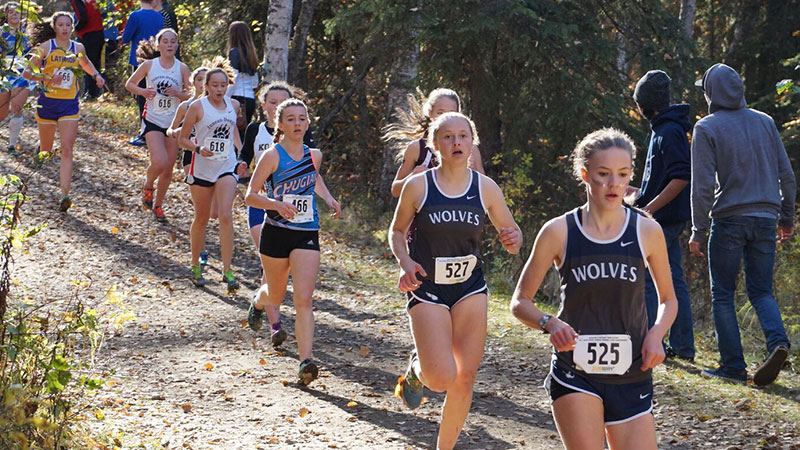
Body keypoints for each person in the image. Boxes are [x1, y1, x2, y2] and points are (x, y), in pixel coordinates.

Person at [510, 128, 677, 450]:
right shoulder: (559, 231)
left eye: (623, 174)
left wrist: (657, 334)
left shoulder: (647, 230)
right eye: (603, 174)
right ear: (585, 174)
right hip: (576, 371)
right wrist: (549, 323)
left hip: (632, 372)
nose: (614, 183)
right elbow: (520, 301)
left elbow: (669, 300)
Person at [390, 112, 521, 450]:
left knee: (464, 377)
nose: (456, 142)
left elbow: (513, 233)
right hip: (427, 286)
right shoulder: (419, 186)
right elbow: (397, 231)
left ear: (472, 142)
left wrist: (512, 239)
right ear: (435, 145)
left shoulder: (485, 188)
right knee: (440, 378)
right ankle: (418, 370)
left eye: (463, 136)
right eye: (448, 137)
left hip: (469, 287)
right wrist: (405, 262)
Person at [690, 63, 796, 386]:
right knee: (761, 290)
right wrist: (786, 218)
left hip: (729, 219)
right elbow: (787, 176)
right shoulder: (765, 122)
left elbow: (702, 187)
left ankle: (733, 367)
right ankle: (778, 342)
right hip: (766, 218)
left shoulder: (706, 128)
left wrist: (697, 230)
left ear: (711, 93)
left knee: (723, 293)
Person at [245, 98, 341, 386]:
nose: (297, 123)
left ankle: (305, 362)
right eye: (291, 119)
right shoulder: (272, 156)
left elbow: (314, 178)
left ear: (308, 123)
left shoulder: (315, 155)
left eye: (302, 118)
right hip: (276, 232)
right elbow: (250, 196)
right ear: (280, 124)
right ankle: (258, 302)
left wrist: (329, 198)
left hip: (306, 231)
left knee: (303, 298)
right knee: (275, 295)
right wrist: (276, 205)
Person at [239, 81, 315, 347]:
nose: (276, 107)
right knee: (272, 270)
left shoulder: (303, 136)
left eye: (281, 102)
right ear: (265, 107)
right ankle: (275, 324)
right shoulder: (255, 131)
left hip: (298, 217)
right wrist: (241, 164)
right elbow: (244, 156)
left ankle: (262, 305)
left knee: (284, 275)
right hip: (263, 208)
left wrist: (328, 198)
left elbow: (312, 171)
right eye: (272, 102)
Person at [630, 69, 695, 362]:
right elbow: (661, 179)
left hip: (663, 221)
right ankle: (681, 346)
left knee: (650, 279)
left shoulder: (669, 131)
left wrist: (650, 209)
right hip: (660, 218)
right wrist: (637, 194)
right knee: (672, 279)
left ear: (646, 103)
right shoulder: (662, 129)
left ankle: (654, 341)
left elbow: (681, 176)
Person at [24, 12, 105, 212]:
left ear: (72, 27)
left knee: (67, 149)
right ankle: (41, 148)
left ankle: (64, 195)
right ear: (54, 27)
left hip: (69, 104)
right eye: (61, 25)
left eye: (68, 25)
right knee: (46, 151)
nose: (65, 28)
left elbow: (85, 63)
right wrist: (47, 78)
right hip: (48, 103)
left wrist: (96, 75)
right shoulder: (45, 47)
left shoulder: (78, 48)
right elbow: (27, 73)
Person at [178, 66, 246, 290]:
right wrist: (198, 149)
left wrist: (241, 155)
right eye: (215, 85)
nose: (219, 89)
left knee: (225, 215)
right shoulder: (197, 107)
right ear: (206, 86)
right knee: (202, 218)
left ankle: (227, 270)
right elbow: (182, 139)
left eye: (223, 85)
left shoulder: (233, 105)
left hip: (226, 165)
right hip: (202, 167)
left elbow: (233, 131)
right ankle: (195, 265)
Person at [125, 29, 190, 222]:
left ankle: (159, 206)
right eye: (166, 41)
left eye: (173, 41)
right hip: (152, 120)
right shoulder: (149, 65)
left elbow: (194, 94)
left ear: (177, 45)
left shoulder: (182, 68)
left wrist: (179, 94)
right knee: (159, 161)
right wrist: (144, 92)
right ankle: (148, 184)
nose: (169, 45)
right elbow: (130, 84)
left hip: (173, 123)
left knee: (168, 168)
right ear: (158, 45)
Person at [386, 88, 485, 199]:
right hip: (424, 209)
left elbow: (484, 190)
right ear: (430, 113)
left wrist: (471, 176)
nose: (444, 118)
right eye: (440, 113)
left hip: (460, 209)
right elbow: (395, 191)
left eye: (451, 113)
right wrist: (412, 176)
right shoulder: (417, 148)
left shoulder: (470, 148)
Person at [121, 0, 162, 146]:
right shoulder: (159, 16)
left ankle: (144, 133)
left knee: (141, 96)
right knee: (152, 95)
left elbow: (126, 38)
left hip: (139, 59)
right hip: (156, 61)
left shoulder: (135, 16)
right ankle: (154, 131)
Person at [0, 2, 32, 155]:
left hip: (22, 72)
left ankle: (12, 145)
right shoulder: (1, 32)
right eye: (11, 12)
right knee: (2, 111)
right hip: (4, 72)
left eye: (17, 12)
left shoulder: (28, 32)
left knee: (17, 108)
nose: (14, 14)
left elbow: (35, 53)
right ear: (6, 15)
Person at [226, 21, 259, 140]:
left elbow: (232, 79)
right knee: (243, 135)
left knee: (233, 136)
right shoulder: (252, 54)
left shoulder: (234, 53)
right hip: (249, 99)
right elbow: (255, 83)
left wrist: (224, 98)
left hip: (237, 98)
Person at [69, 0, 105, 100]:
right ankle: (94, 92)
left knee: (87, 63)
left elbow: (83, 17)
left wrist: (76, 29)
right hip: (99, 33)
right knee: (95, 63)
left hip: (89, 34)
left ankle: (91, 93)